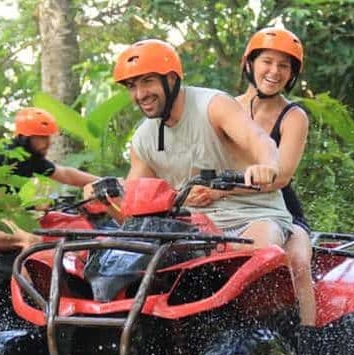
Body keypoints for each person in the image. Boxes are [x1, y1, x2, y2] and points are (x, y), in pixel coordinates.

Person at [113, 39, 290, 249]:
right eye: (132, 86)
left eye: (148, 81)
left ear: (171, 79)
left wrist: (267, 165)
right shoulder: (143, 139)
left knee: (260, 254)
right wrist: (107, 199)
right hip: (191, 228)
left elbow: (259, 139)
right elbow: (135, 205)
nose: (140, 94)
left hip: (253, 216)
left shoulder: (213, 106)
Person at [235, 26, 316, 328]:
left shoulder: (293, 116)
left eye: (284, 65)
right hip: (225, 209)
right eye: (267, 61)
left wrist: (222, 191)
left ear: (292, 74)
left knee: (298, 264)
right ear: (250, 63)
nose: (274, 71)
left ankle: (309, 346)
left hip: (282, 211)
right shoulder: (225, 108)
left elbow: (281, 177)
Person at [0, 107, 100, 252]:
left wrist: (104, 180)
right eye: (42, 137)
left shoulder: (31, 159)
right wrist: (23, 213)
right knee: (32, 239)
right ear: (26, 137)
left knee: (55, 228)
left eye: (48, 137)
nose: (48, 142)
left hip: (1, 219)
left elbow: (66, 174)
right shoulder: (2, 154)